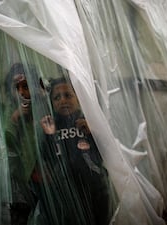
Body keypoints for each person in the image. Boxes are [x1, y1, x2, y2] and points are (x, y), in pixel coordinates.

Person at [40, 77, 114, 225]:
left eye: (68, 95)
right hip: (66, 189)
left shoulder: (89, 121)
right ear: (52, 103)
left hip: (95, 187)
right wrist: (49, 136)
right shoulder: (52, 125)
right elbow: (47, 158)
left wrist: (92, 132)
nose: (63, 101)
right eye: (57, 98)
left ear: (78, 98)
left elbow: (106, 152)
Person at [3, 62, 49, 225]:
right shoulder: (10, 109)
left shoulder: (44, 105)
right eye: (17, 88)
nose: (21, 92)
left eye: (26, 86)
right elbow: (5, 141)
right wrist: (15, 118)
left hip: (44, 175)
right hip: (20, 176)